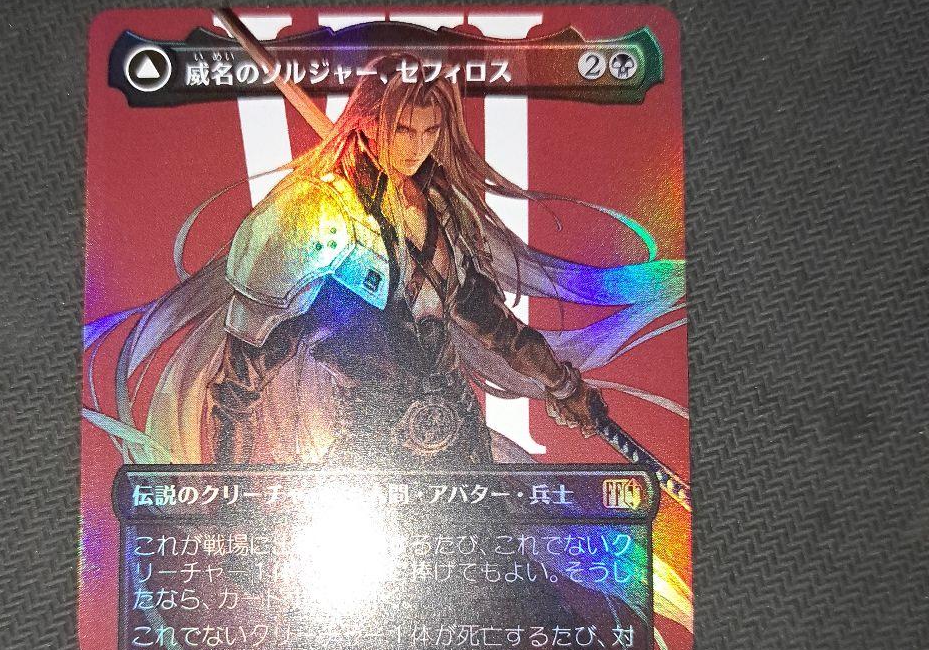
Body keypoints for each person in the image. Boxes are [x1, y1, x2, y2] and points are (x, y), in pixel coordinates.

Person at [84, 56, 685, 469]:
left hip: (454, 438)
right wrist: (231, 491)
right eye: (402, 129)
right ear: (370, 121)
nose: (415, 146)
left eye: (429, 130)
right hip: (366, 445)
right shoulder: (318, 216)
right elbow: (241, 374)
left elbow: (488, 320)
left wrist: (560, 383)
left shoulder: (441, 212)